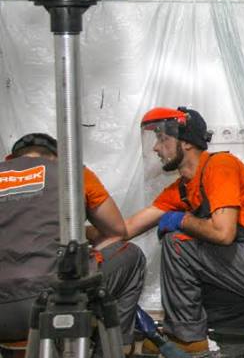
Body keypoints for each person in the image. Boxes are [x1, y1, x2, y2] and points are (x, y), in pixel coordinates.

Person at [125, 106, 244, 355]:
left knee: (176, 242)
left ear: (186, 142)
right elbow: (125, 229)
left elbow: (223, 234)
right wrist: (81, 230)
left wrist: (182, 219)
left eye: (162, 138)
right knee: (190, 305)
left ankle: (188, 339)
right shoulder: (182, 188)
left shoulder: (220, 165)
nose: (156, 148)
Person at [0, 133, 146, 352]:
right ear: (57, 157)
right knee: (131, 255)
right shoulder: (73, 173)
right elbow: (117, 231)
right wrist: (83, 233)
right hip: (49, 301)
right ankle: (117, 349)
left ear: (11, 159)